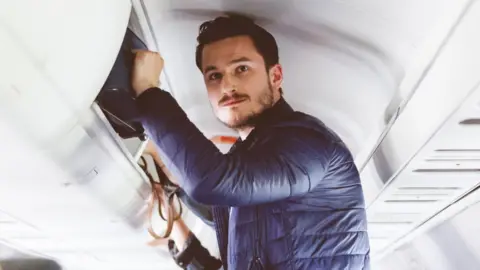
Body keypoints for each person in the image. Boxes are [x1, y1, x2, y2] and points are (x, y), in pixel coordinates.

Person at [132, 14, 370, 270]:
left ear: (276, 76)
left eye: (241, 69)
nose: (227, 85)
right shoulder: (248, 162)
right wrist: (174, 201)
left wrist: (148, 92)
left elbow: (212, 183)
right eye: (214, 76)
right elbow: (232, 215)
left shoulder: (309, 144)